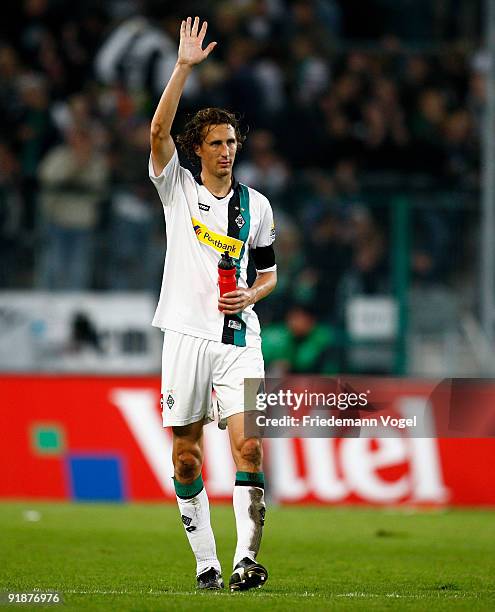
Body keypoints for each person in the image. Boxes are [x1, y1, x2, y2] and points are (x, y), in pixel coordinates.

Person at [148, 17, 277, 592]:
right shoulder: (177, 188)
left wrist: (252, 293)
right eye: (217, 143)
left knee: (249, 442)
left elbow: (270, 275)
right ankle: (207, 564)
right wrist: (182, 67)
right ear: (197, 148)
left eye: (233, 142)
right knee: (186, 460)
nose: (228, 151)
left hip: (240, 340)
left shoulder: (258, 206)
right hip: (183, 337)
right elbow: (155, 134)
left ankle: (248, 560)